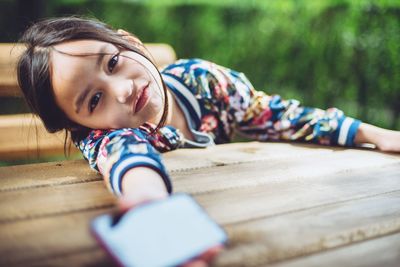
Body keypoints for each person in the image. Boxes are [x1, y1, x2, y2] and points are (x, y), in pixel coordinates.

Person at [17, 17, 400, 266]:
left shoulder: (205, 83)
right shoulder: (109, 136)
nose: (121, 90)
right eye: (94, 100)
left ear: (131, 42)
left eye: (113, 63)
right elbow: (127, 160)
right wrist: (148, 203)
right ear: (79, 125)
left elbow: (280, 116)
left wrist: (374, 134)